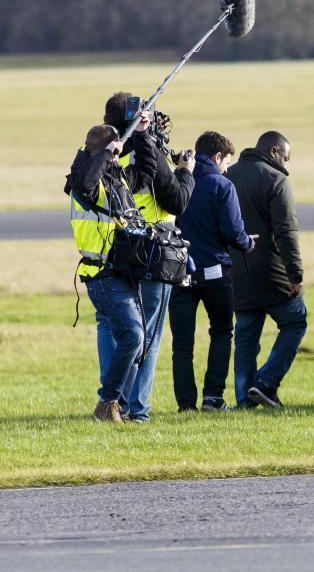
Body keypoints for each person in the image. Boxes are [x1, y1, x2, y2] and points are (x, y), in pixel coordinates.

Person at [96, 92, 195, 422]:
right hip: (152, 254)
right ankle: (135, 408)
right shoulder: (146, 152)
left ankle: (111, 400)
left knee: (112, 328)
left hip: (111, 254)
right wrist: (185, 171)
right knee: (147, 336)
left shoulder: (102, 155)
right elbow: (177, 200)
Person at [65, 118, 156, 423]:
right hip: (101, 276)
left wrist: (141, 134)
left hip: (122, 273)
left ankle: (119, 406)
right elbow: (85, 182)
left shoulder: (115, 179)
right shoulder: (83, 184)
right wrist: (105, 153)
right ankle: (108, 403)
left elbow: (146, 172)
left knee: (136, 340)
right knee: (132, 335)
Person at [169, 131, 255, 412]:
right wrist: (247, 243)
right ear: (217, 157)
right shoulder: (222, 186)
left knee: (182, 343)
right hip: (216, 272)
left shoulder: (178, 181)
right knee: (221, 332)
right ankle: (213, 398)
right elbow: (232, 231)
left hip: (179, 272)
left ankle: (185, 404)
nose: (227, 168)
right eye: (226, 161)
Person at [227, 131, 307, 409]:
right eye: (285, 157)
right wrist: (295, 274)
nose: (286, 164)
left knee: (246, 337)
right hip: (272, 272)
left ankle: (244, 400)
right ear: (273, 151)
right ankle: (264, 384)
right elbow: (286, 232)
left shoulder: (228, 175)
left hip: (235, 272)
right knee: (296, 322)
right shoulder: (276, 179)